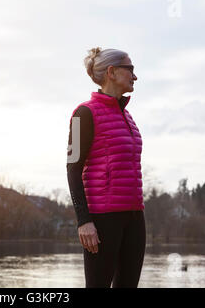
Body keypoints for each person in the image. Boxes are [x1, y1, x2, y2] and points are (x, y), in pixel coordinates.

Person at [66, 47, 146, 288]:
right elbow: (72, 169)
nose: (135, 76)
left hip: (134, 217)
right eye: (130, 69)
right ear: (111, 72)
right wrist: (84, 221)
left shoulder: (127, 116)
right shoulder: (83, 114)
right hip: (102, 220)